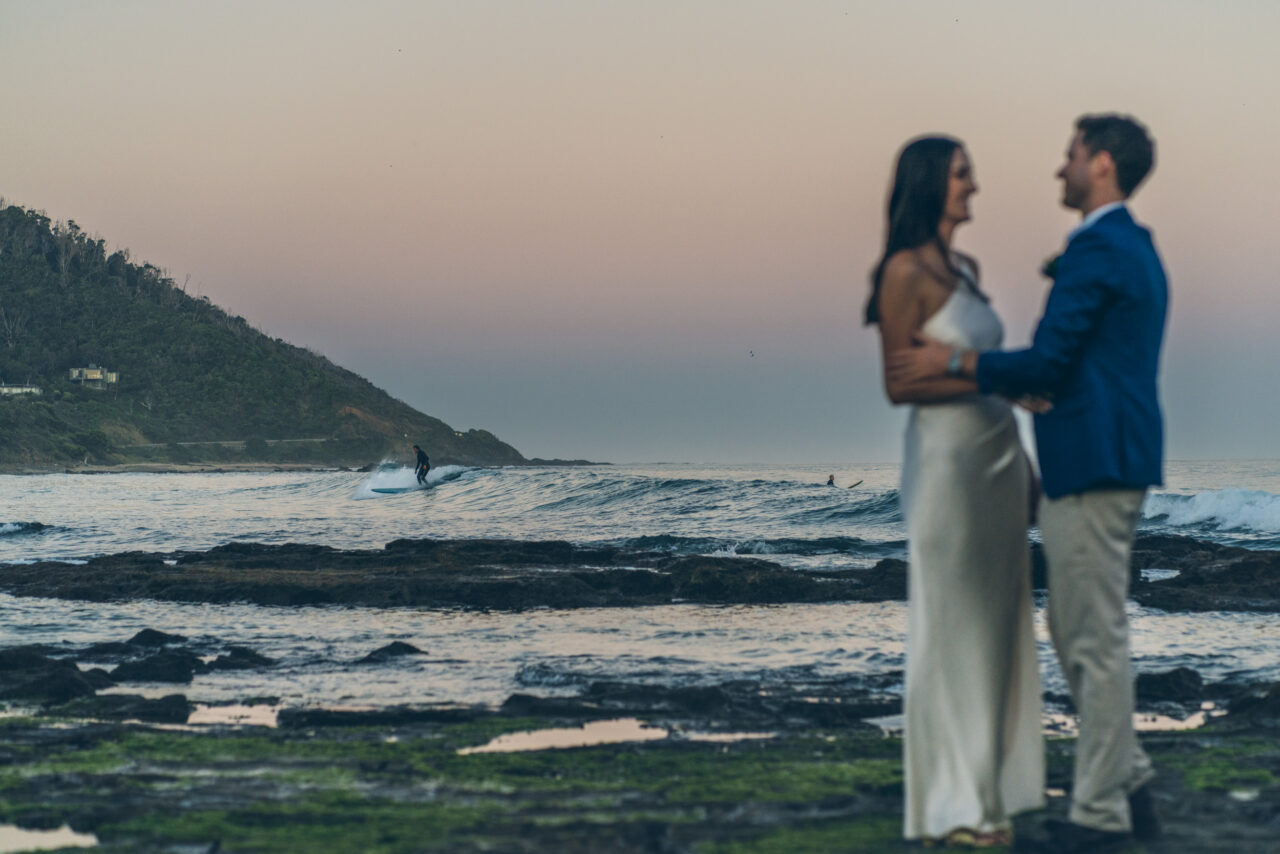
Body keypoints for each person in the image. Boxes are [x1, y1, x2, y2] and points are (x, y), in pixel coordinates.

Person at [889, 114, 1166, 853]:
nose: (1060, 171)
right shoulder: (1127, 246)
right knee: (1078, 629)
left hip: (1096, 461)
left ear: (1101, 164)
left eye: (1070, 156)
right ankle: (1130, 780)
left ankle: (1101, 813)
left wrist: (957, 365)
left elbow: (1048, 363)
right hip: (1104, 459)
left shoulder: (1100, 249)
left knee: (1089, 638)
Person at [868, 135, 1043, 847]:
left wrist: (1024, 456)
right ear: (931, 184)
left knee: (1001, 621)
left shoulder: (965, 269)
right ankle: (961, 807)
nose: (973, 186)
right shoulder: (902, 271)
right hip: (947, 465)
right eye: (961, 174)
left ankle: (993, 788)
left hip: (1000, 459)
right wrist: (997, 377)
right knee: (955, 622)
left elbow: (970, 370)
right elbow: (898, 382)